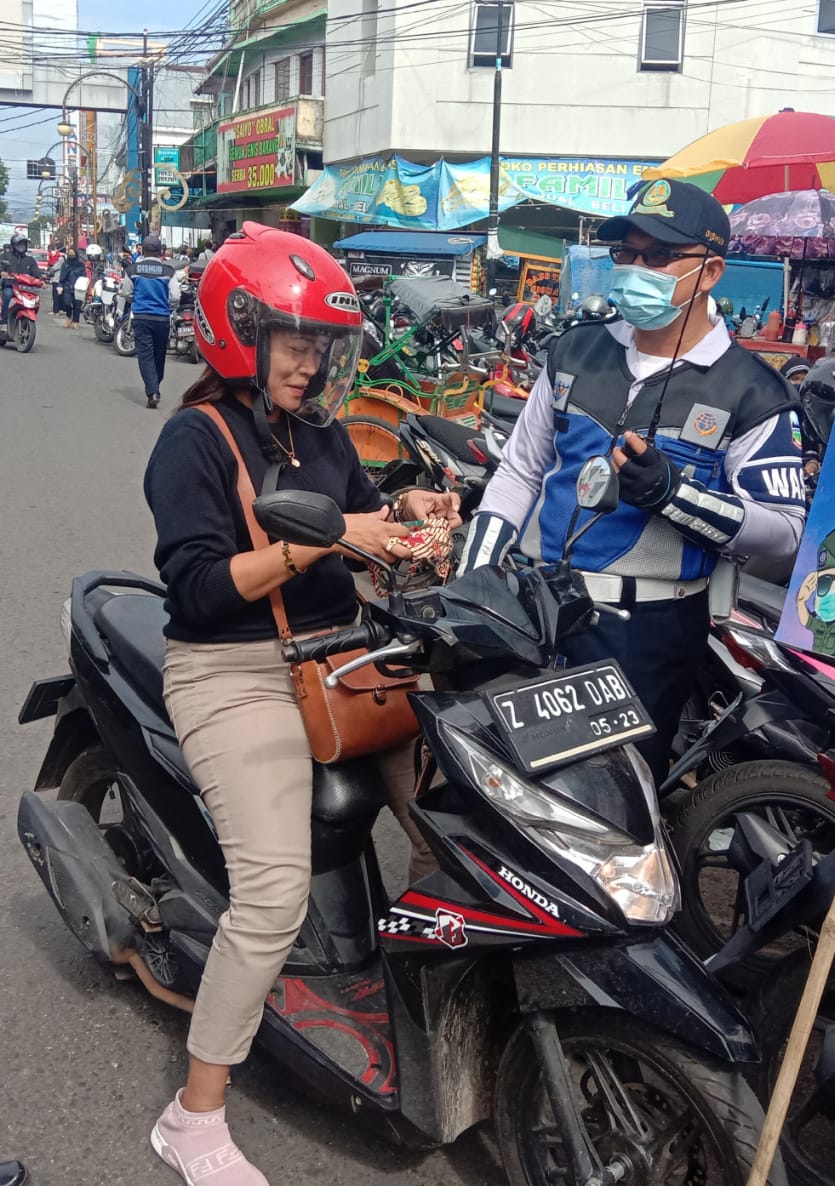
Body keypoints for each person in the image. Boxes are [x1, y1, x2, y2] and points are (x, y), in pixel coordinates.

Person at [142, 223, 459, 1185]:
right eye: (294, 340)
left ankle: (425, 1005)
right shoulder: (193, 440)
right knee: (272, 893)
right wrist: (319, 544)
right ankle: (192, 1117)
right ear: (240, 330)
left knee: (461, 822)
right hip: (232, 673)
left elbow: (357, 517)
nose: (311, 360)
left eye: (321, 343)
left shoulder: (320, 433)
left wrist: (409, 522)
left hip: (344, 660)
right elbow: (196, 591)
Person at [457, 178, 807, 778]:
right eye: (627, 253)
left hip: (647, 633)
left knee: (613, 809)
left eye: (659, 255)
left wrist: (677, 496)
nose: (636, 269)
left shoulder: (752, 390)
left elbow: (785, 532)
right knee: (517, 795)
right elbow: (520, 471)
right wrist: (472, 585)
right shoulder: (575, 351)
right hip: (542, 608)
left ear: (711, 271)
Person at [121, 234, 183, 409]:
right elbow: (175, 297)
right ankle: (155, 385)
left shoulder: (132, 270)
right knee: (159, 354)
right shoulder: (168, 271)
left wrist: (138, 302)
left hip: (141, 317)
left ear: (143, 250)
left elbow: (127, 293)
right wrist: (167, 307)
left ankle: (152, 390)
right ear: (160, 252)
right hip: (162, 318)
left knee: (145, 355)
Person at [0, 233, 43, 326]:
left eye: (24, 244)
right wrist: (3, 273)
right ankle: (4, 322)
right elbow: (1, 267)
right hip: (10, 285)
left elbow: (36, 273)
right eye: (19, 244)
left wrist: (41, 280)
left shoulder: (30, 260)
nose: (22, 246)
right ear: (13, 245)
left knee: (35, 299)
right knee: (7, 295)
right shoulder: (6, 256)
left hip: (25, 288)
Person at [56, 247, 85, 329]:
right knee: (67, 303)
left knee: (77, 306)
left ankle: (76, 321)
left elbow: (84, 276)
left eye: (73, 252)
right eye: (70, 252)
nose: (71, 254)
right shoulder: (65, 265)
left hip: (78, 288)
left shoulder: (80, 265)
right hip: (67, 287)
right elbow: (62, 277)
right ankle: (69, 316)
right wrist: (60, 286)